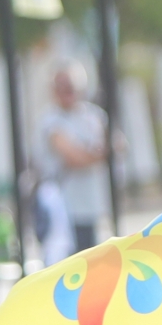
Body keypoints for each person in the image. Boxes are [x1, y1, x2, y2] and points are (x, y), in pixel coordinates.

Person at [36, 63, 112, 255]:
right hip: (63, 212)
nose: (67, 91)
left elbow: (117, 145)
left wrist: (90, 153)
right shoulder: (51, 120)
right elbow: (73, 157)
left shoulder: (94, 116)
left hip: (93, 207)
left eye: (71, 85)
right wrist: (96, 153)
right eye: (61, 86)